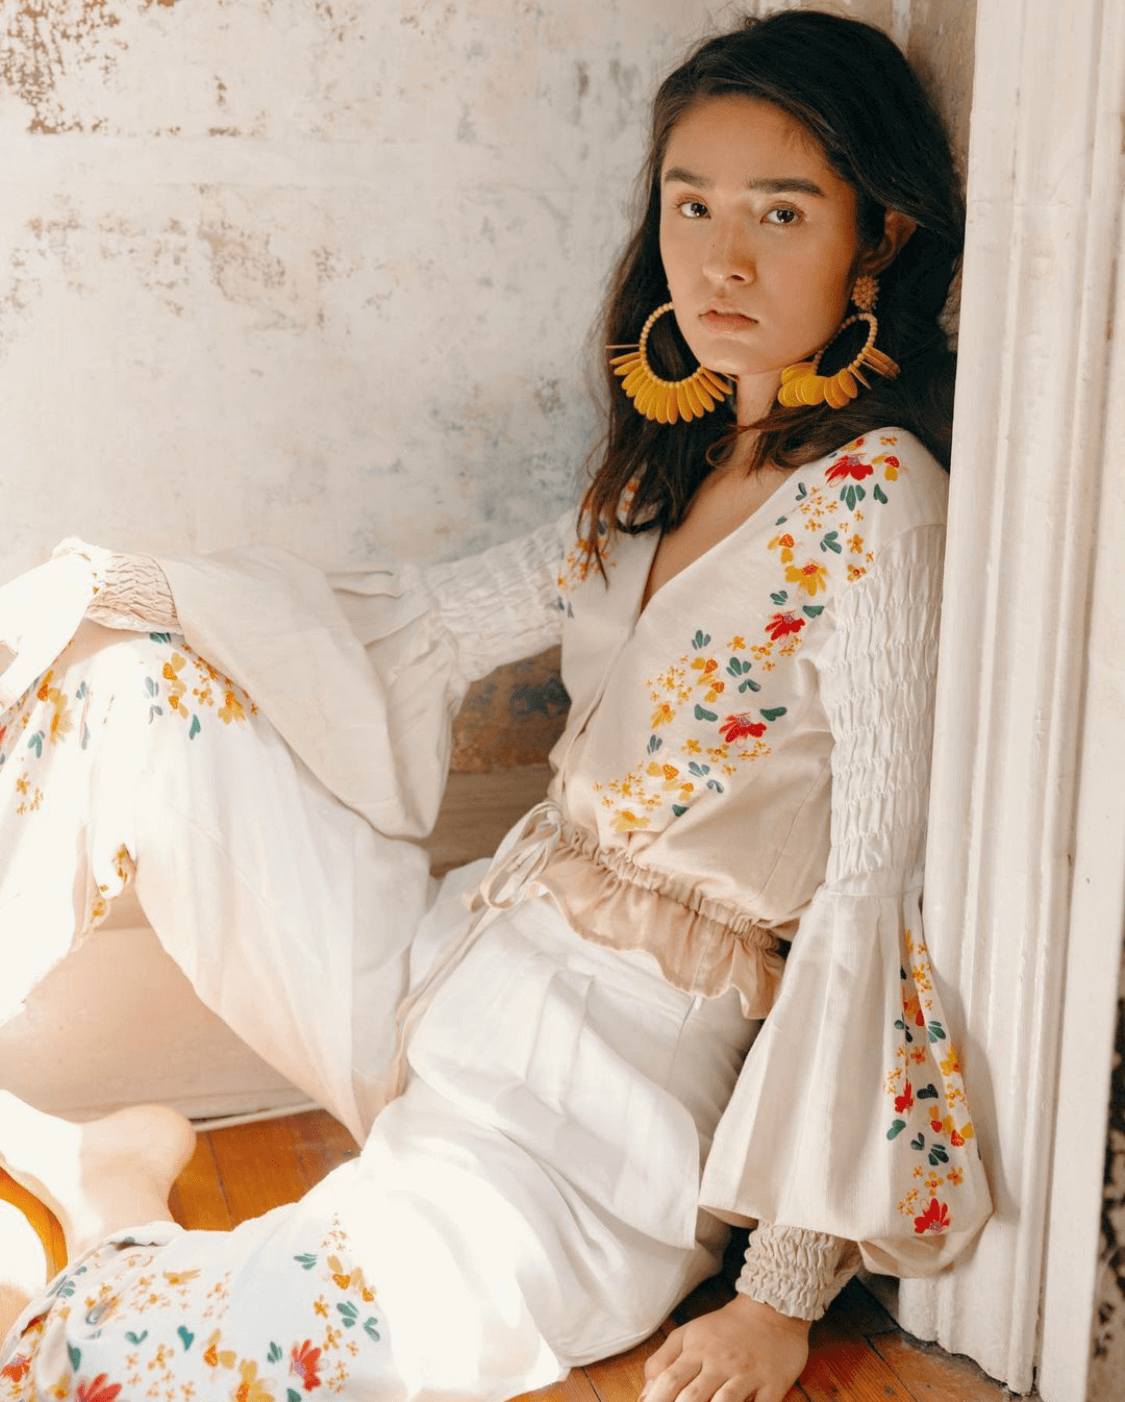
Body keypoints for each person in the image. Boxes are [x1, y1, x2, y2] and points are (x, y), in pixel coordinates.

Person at [0, 9, 992, 1402]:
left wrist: (778, 1297)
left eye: (781, 212)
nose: (722, 258)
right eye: (692, 204)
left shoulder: (883, 507)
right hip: (440, 976)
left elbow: (871, 900)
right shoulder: (670, 469)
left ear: (877, 237)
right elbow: (427, 618)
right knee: (123, 679)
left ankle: (112, 1196)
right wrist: (103, 584)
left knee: (119, 1367)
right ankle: (102, 1179)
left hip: (581, 1141)